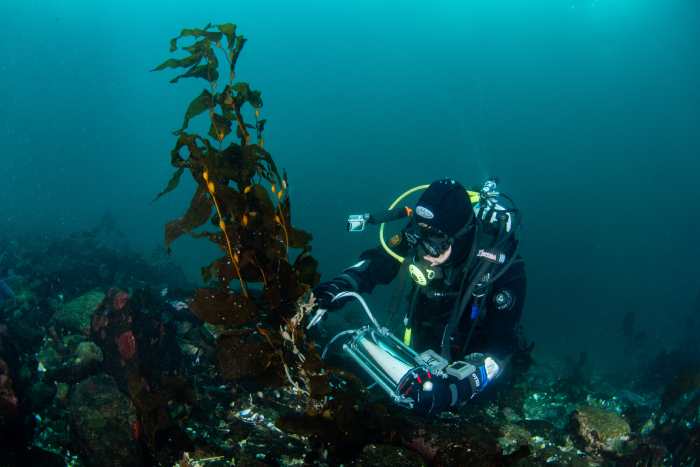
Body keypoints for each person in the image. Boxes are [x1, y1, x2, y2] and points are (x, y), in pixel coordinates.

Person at [312, 178, 527, 415]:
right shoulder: (420, 234)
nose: (425, 253)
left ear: (461, 236)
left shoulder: (502, 267)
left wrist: (459, 388)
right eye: (421, 236)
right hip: (418, 352)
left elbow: (501, 348)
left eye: (436, 243)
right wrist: (338, 287)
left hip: (469, 364)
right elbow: (376, 264)